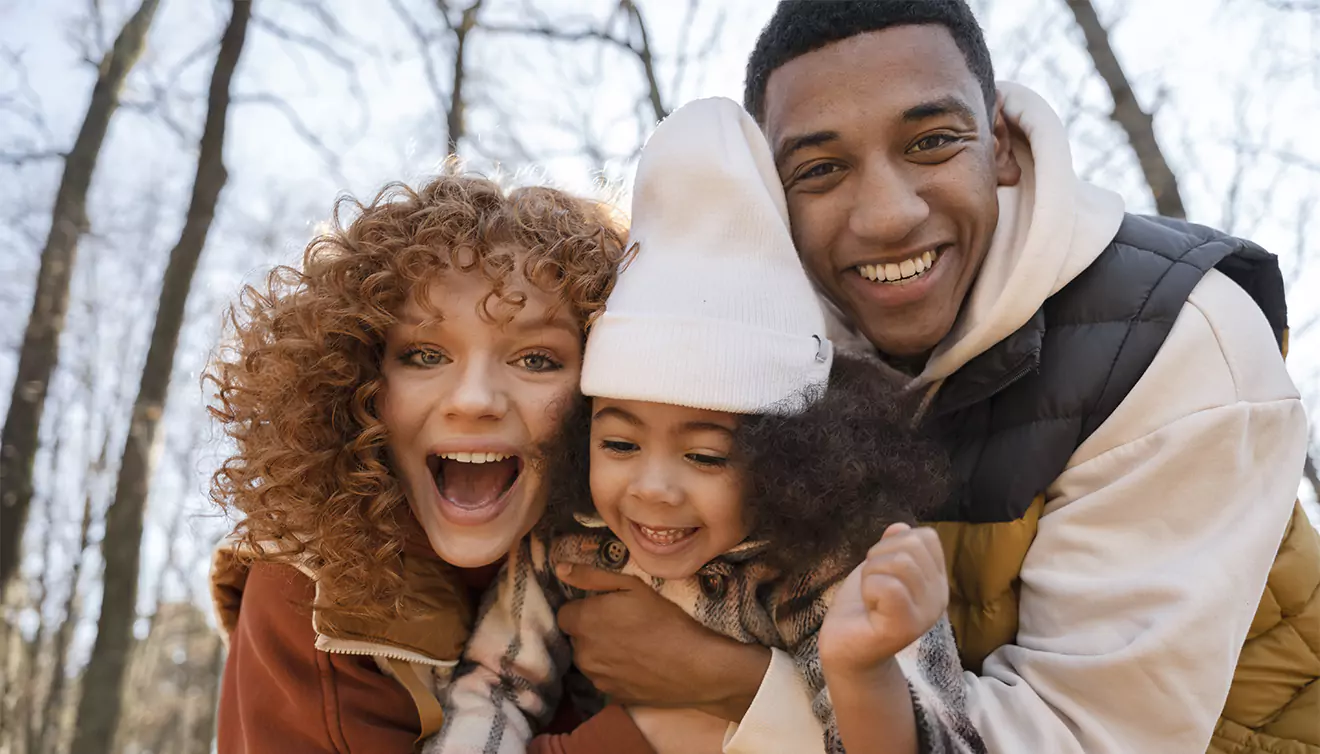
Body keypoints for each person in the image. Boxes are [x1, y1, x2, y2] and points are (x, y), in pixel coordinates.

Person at [553, 2, 1318, 753]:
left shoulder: (1175, 341)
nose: (886, 215)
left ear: (1004, 144)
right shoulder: (760, 352)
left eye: (932, 142)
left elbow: (1079, 738)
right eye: (820, 169)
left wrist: (727, 681)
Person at [426, 96, 982, 754]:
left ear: (793, 463)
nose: (653, 488)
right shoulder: (567, 542)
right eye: (620, 443)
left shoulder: (836, 562)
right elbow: (495, 681)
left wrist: (863, 671)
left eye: (707, 457)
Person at [206, 174, 659, 753]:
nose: (473, 399)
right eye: (424, 354)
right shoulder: (306, 589)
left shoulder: (667, 548)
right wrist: (664, 732)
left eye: (537, 359)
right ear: (359, 382)